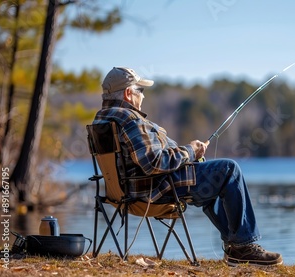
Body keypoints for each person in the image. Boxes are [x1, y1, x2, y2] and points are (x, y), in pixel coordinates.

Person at [93, 66, 283, 266]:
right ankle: (243, 247)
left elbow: (147, 162)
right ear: (128, 93)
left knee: (215, 179)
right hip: (155, 191)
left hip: (124, 193)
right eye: (140, 91)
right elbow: (154, 163)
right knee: (229, 170)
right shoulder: (129, 119)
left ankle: (237, 247)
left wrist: (190, 157)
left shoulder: (102, 118)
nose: (143, 96)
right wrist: (191, 150)